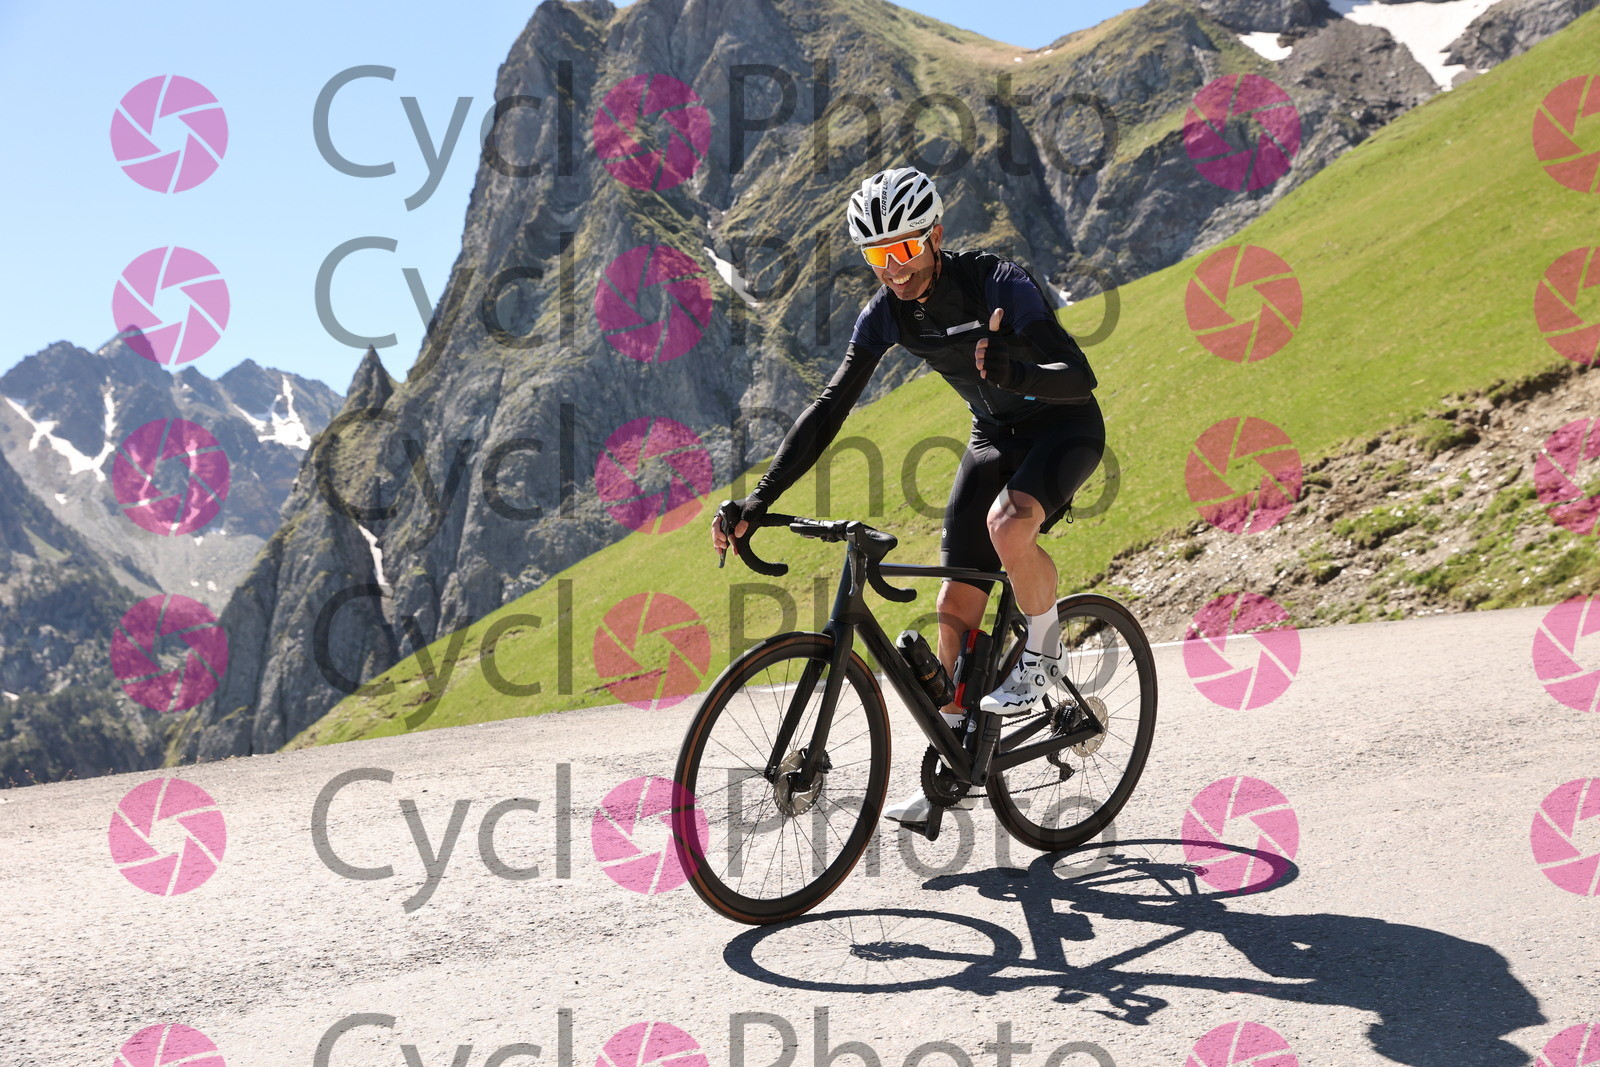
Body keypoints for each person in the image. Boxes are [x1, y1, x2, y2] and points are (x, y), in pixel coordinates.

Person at [710, 166, 1105, 832]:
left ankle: (1044, 650)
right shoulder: (886, 313)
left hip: (1064, 428)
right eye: (876, 255)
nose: (894, 269)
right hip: (994, 438)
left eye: (903, 249)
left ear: (935, 236)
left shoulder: (998, 282)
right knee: (954, 607)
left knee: (1008, 526)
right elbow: (830, 406)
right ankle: (953, 767)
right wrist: (758, 498)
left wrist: (1017, 370)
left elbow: (1079, 376)